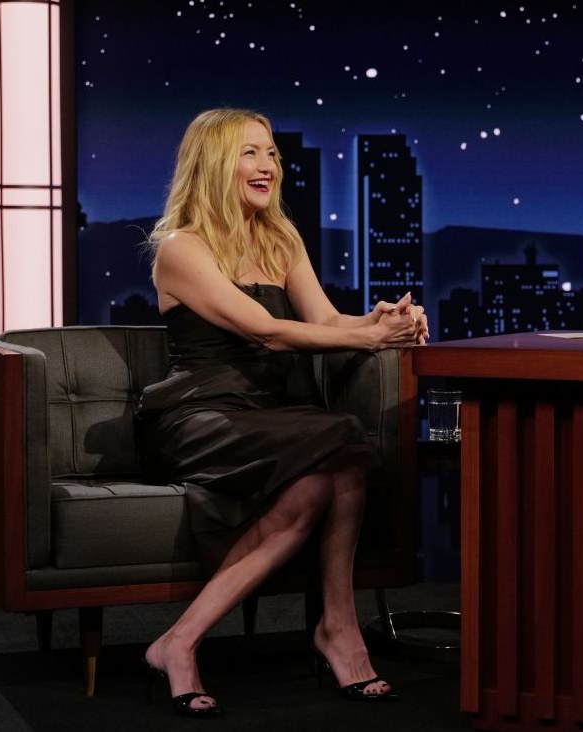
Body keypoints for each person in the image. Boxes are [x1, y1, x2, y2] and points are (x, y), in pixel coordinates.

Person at [135, 108, 428, 717]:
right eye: (250, 153)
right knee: (342, 438)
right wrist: (368, 339)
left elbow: (325, 321)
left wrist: (382, 323)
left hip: (271, 417)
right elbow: (266, 332)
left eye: (271, 153)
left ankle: (193, 639)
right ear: (214, 164)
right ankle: (332, 632)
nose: (267, 165)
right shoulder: (181, 248)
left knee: (333, 472)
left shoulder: (281, 238)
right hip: (199, 415)